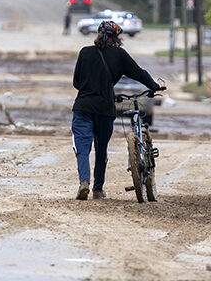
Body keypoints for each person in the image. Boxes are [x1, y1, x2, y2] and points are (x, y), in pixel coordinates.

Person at [70, 19, 164, 200]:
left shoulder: (85, 52)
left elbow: (76, 82)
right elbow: (138, 72)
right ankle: (98, 189)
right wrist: (155, 86)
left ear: (98, 34)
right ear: (117, 38)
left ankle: (84, 182)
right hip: (105, 109)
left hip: (83, 106)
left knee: (82, 147)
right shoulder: (119, 55)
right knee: (101, 148)